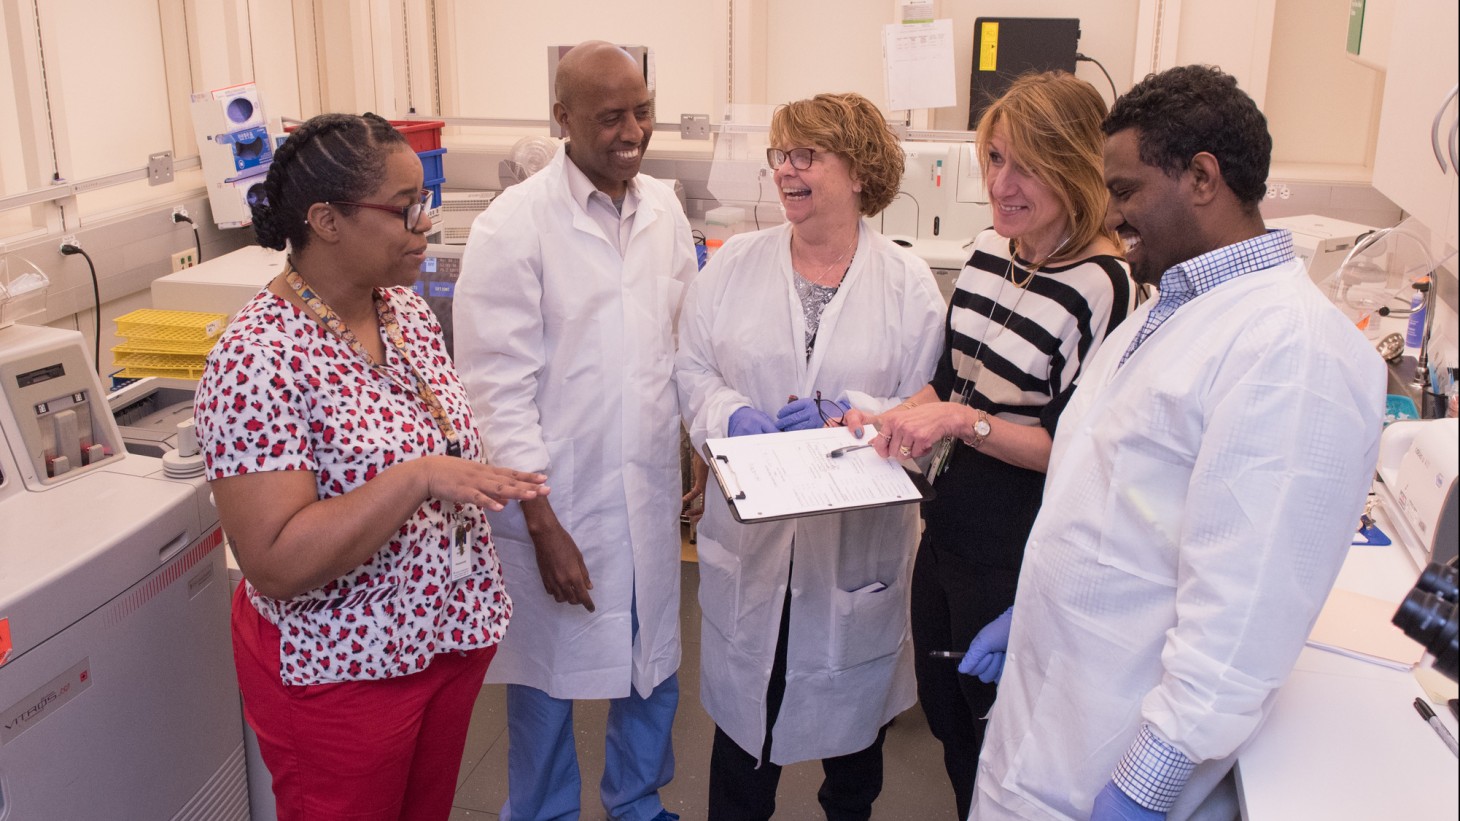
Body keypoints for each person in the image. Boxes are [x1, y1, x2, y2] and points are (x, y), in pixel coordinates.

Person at [964, 65, 1386, 820]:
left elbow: (1243, 616)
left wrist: (1143, 787)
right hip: (1058, 710)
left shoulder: (1291, 351)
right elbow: (1112, 503)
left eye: (1125, 191)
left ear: (1201, 178)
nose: (1111, 213)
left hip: (1114, 754)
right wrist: (1031, 612)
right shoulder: (1172, 307)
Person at [192, 112, 548, 821]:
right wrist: (418, 477)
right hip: (342, 667)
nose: (425, 222)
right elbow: (274, 560)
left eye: (425, 200)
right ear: (327, 220)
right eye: (405, 207)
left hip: (441, 638)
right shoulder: (257, 359)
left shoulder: (402, 314)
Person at [843, 71, 1135, 818]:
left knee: (998, 734)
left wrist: (958, 423)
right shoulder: (988, 252)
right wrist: (884, 416)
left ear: (1075, 167)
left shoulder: (1105, 287)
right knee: (947, 715)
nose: (1002, 184)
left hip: (1017, 548)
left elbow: (1071, 449)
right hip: (947, 527)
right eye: (996, 158)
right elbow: (949, 381)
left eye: (1027, 166)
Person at [676, 92, 946, 821]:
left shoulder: (908, 285)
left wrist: (850, 416)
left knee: (853, 762)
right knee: (741, 757)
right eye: (780, 155)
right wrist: (730, 415)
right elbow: (693, 367)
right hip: (753, 547)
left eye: (806, 155)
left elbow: (926, 409)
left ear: (858, 171)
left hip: (853, 553)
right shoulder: (734, 266)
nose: (786, 171)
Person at [453, 41, 697, 821]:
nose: (633, 132)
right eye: (610, 116)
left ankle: (637, 802)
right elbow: (495, 387)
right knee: (545, 680)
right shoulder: (513, 225)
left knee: (653, 663)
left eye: (643, 111)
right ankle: (542, 811)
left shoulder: (664, 209)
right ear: (562, 118)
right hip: (556, 498)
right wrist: (541, 520)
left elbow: (684, 341)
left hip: (646, 487)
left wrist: (694, 444)